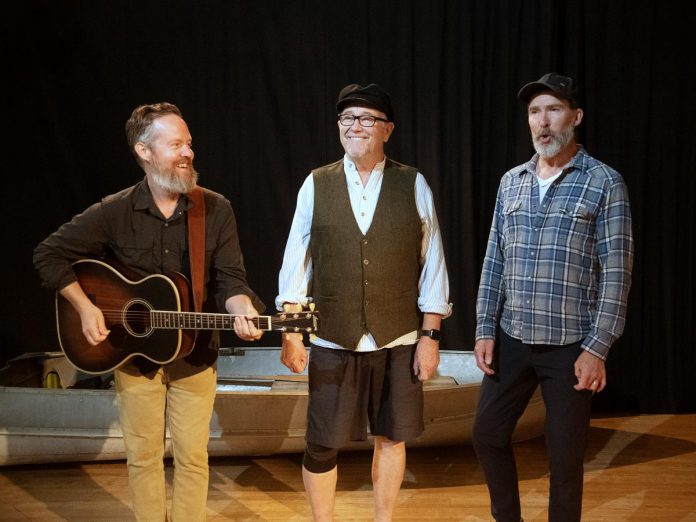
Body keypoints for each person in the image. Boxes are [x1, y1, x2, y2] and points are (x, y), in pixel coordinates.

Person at [33, 102, 265, 521]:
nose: (188, 152)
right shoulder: (114, 210)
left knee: (193, 459)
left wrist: (243, 308)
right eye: (175, 144)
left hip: (194, 354)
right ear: (144, 151)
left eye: (189, 143)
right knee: (142, 458)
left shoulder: (215, 208)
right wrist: (85, 308)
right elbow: (48, 255)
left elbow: (231, 281)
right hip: (132, 354)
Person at [277, 83, 451, 521]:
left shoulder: (413, 183)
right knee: (321, 442)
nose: (355, 126)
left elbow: (433, 264)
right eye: (347, 118)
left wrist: (430, 336)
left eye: (366, 118)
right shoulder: (317, 183)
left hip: (398, 337)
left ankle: (383, 518)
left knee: (392, 436)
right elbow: (296, 263)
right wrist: (293, 335)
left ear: (387, 129)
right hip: (334, 338)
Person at [472, 73, 634, 522]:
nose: (543, 122)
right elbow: (494, 262)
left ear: (575, 117)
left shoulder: (603, 182)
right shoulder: (513, 182)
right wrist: (486, 327)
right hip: (513, 338)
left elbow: (617, 273)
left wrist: (597, 348)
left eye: (554, 109)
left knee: (564, 461)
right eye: (534, 112)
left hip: (569, 345)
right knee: (487, 434)